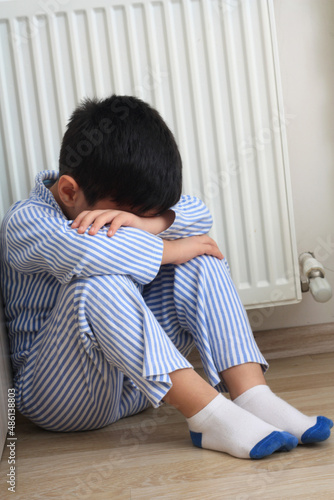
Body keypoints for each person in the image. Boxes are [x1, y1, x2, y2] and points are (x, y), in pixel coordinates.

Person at [0, 95, 332, 461]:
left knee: (201, 260)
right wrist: (170, 248)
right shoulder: (26, 223)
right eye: (117, 221)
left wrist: (148, 223)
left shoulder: (118, 197)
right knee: (98, 282)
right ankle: (208, 415)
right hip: (61, 397)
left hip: (136, 388)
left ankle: (253, 396)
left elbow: (198, 214)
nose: (126, 228)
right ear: (68, 192)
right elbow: (90, 253)